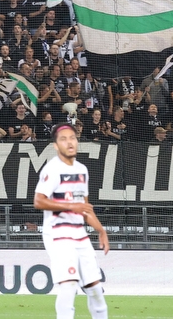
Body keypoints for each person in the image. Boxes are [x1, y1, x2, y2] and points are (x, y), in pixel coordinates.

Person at [34, 124, 110, 319]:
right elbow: (39, 201)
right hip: (58, 234)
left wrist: (101, 230)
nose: (69, 142)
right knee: (68, 286)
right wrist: (70, 206)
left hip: (80, 235)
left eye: (72, 138)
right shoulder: (52, 169)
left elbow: (85, 208)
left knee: (95, 290)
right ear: (55, 146)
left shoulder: (82, 170)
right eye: (63, 139)